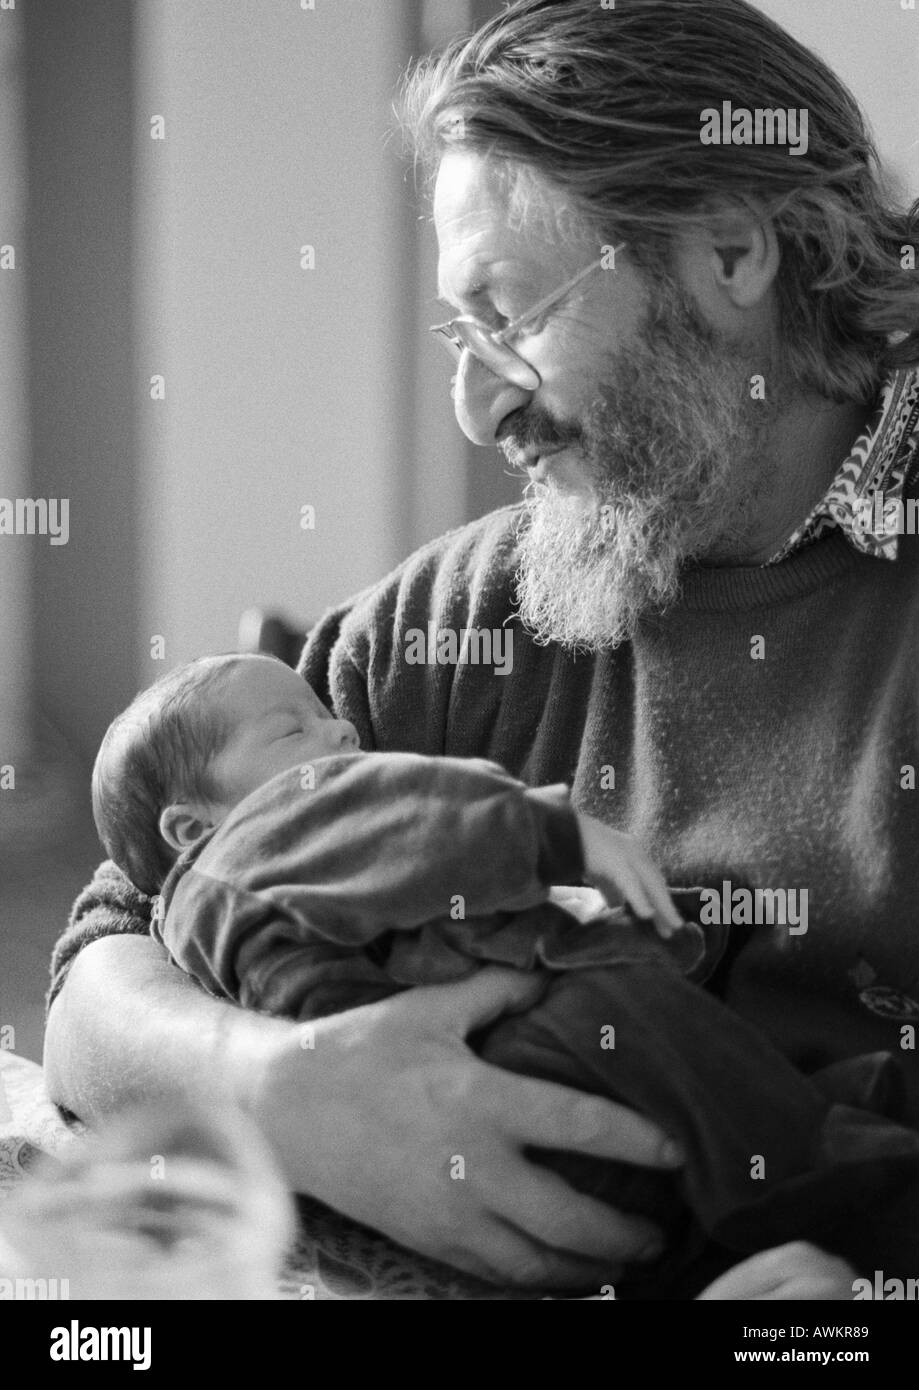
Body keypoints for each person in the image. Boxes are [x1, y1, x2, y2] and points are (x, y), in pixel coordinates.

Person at [45, 0, 919, 1294]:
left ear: (727, 252)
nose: (478, 402)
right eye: (459, 337)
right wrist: (275, 1087)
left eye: (510, 315)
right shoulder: (460, 615)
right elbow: (103, 962)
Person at [90, 650, 919, 1295]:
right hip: (504, 1064)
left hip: (485, 1160)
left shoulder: (198, 909)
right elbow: (411, 813)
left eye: (328, 715)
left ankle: (764, 1164)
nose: (342, 735)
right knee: (620, 1002)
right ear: (188, 827)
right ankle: (801, 1159)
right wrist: (546, 830)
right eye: (291, 731)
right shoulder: (260, 839)